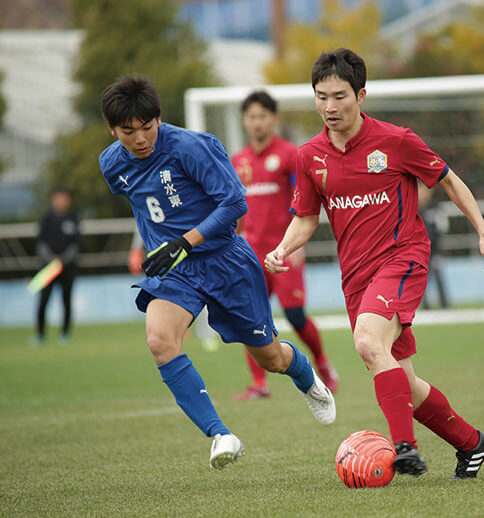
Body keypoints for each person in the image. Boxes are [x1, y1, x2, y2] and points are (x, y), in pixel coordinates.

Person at [265, 48, 484, 479]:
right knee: (404, 384)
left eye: (340, 96)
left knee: (367, 342)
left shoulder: (396, 140)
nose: (329, 107)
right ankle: (472, 443)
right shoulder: (309, 156)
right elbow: (305, 217)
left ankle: (403, 447)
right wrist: (284, 249)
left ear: (362, 96)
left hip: (403, 259)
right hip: (356, 277)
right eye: (321, 97)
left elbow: (448, 179)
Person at [98, 76, 335, 471]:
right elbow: (145, 204)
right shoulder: (111, 164)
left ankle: (306, 375)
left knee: (270, 358)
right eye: (128, 131)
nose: (140, 139)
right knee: (159, 340)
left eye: (147, 127)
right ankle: (220, 434)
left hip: (226, 260)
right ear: (112, 129)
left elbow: (234, 203)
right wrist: (148, 245)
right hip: (174, 270)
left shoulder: (192, 147)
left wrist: (186, 240)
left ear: (159, 119)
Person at [231, 90, 338, 400]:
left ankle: (323, 365)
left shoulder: (291, 154)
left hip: (284, 252)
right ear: (244, 121)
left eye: (263, 116)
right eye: (251, 117)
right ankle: (258, 383)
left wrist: (298, 244)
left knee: (295, 316)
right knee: (248, 317)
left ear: (274, 119)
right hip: (250, 254)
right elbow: (235, 208)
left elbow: (304, 201)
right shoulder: (238, 161)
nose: (257, 123)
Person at [34, 185, 80, 345]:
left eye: (65, 197)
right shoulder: (46, 219)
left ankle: (65, 334)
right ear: (53, 199)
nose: (62, 201)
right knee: (43, 301)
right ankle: (40, 335)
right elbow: (41, 243)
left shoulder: (73, 218)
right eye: (59, 197)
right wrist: (51, 260)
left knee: (66, 301)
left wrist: (63, 260)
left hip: (67, 267)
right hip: (48, 267)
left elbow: (76, 244)